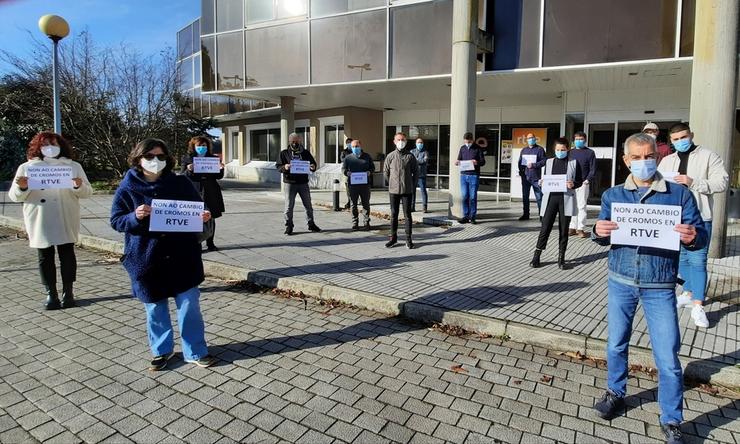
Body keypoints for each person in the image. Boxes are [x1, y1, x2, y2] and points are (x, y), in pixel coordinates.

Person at [592, 132, 706, 444]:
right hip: (621, 281)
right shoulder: (613, 195)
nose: (644, 162)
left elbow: (700, 236)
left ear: (657, 156)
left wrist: (692, 236)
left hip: (660, 285)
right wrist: (597, 231)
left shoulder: (679, 195)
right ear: (626, 161)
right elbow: (602, 232)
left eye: (649, 156)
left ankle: (671, 418)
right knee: (616, 343)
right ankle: (616, 391)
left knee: (667, 355)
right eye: (637, 158)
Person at [110, 138, 216, 371]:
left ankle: (195, 350)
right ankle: (161, 350)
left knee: (189, 305)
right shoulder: (127, 187)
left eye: (160, 156)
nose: (155, 161)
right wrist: (134, 217)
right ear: (138, 159)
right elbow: (116, 221)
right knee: (155, 307)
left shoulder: (181, 183)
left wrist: (203, 217)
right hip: (146, 258)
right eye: (149, 157)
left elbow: (198, 209)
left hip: (182, 255)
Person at [9, 131, 92, 310]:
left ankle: (68, 292)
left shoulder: (73, 166)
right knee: (44, 256)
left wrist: (78, 185)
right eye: (45, 144)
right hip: (40, 216)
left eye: (54, 144)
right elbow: (14, 196)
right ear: (37, 147)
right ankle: (51, 294)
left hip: (65, 215)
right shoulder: (27, 167)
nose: (50, 148)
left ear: (61, 146)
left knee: (67, 254)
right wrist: (22, 187)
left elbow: (88, 192)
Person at [658, 123, 729, 328]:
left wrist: (693, 182)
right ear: (671, 141)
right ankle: (689, 292)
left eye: (684, 137)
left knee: (698, 261)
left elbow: (721, 183)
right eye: (676, 139)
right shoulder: (667, 161)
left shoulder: (708, 156)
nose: (681, 141)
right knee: (679, 259)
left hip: (699, 218)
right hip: (673, 218)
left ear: (691, 135)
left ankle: (698, 305)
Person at [529, 138, 582, 270]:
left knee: (564, 230)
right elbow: (546, 179)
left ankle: (561, 258)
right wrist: (542, 182)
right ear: (554, 149)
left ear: (568, 149)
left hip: (566, 199)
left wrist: (573, 184)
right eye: (557, 150)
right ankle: (536, 256)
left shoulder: (574, 163)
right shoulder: (548, 162)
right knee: (545, 228)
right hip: (551, 199)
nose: (560, 152)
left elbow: (579, 180)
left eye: (563, 150)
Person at [181, 136, 225, 251]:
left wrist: (221, 169)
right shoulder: (187, 158)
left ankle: (210, 243)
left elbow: (218, 176)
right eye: (199, 146)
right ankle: (197, 242)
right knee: (196, 217)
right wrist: (188, 170)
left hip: (210, 191)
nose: (202, 148)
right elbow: (182, 176)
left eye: (204, 145)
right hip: (194, 190)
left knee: (211, 217)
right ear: (193, 146)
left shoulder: (213, 158)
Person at [275, 133, 322, 235]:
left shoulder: (305, 153)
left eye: (296, 141)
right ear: (289, 141)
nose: (295, 143)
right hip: (290, 183)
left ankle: (311, 224)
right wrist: (285, 167)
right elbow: (278, 166)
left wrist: (313, 167)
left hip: (303, 183)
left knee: (308, 205)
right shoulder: (284, 153)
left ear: (300, 141)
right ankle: (289, 226)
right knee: (289, 206)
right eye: (293, 141)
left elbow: (313, 164)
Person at [384, 132, 418, 249]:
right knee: (394, 215)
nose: (400, 142)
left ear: (406, 141)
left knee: (407, 215)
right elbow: (386, 172)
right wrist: (391, 183)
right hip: (393, 191)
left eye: (403, 140)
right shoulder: (390, 156)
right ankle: (393, 238)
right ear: (394, 141)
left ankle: (408, 239)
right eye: (398, 140)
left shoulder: (410, 156)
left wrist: (412, 186)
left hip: (407, 191)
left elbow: (416, 172)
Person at [341, 139, 375, 230]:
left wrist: (369, 172)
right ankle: (355, 222)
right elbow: (343, 169)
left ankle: (366, 222)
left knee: (366, 204)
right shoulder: (348, 158)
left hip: (365, 185)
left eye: (357, 146)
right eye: (353, 147)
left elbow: (372, 167)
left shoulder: (367, 156)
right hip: (353, 185)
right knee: (353, 204)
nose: (355, 148)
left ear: (361, 146)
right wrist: (346, 173)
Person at [568, 132, 596, 238]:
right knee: (571, 206)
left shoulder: (590, 152)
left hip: (583, 183)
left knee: (582, 206)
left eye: (581, 139)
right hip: (571, 183)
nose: (579, 140)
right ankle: (572, 227)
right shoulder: (570, 152)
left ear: (585, 140)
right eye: (577, 139)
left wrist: (588, 180)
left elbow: (593, 169)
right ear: (574, 140)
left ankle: (580, 228)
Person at [454, 132, 486, 224]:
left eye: (469, 142)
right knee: (464, 196)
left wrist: (477, 162)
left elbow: (483, 162)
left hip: (473, 175)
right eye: (466, 142)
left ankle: (472, 217)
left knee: (472, 197)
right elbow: (459, 159)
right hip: (463, 175)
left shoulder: (478, 148)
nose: (467, 143)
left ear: (472, 140)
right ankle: (465, 216)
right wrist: (457, 162)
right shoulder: (462, 148)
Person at [518, 132, 547, 221]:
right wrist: (521, 171)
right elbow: (520, 162)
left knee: (539, 197)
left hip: (535, 177)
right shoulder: (524, 150)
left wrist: (534, 165)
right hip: (525, 177)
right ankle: (526, 214)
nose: (530, 140)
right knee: (525, 197)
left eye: (532, 138)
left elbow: (544, 161)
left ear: (535, 139)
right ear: (526, 140)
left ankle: (542, 216)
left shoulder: (540, 149)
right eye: (528, 138)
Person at [411, 138, 429, 213]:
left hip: (421, 175)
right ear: (415, 143)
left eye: (421, 142)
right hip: (413, 175)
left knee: (423, 191)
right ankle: (412, 207)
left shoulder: (425, 152)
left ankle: (424, 207)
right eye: (418, 142)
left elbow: (424, 161)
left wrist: (416, 160)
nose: (420, 144)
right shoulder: (412, 152)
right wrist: (417, 160)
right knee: (412, 192)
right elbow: (410, 161)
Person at [340, 138, 354, 209]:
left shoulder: (356, 150)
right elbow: (342, 159)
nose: (349, 144)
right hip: (347, 172)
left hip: (355, 172)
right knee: (348, 187)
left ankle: (357, 199)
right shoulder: (344, 152)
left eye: (350, 142)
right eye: (348, 143)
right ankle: (349, 200)